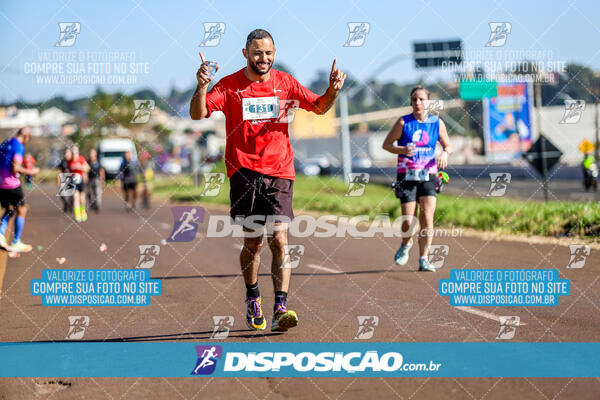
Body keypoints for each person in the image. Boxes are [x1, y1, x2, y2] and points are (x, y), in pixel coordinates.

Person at [190, 29, 346, 331]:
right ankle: (252, 297)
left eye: (269, 53)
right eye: (258, 53)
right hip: (244, 171)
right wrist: (201, 86)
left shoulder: (285, 83)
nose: (264, 59)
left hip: (279, 170)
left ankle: (280, 307)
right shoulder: (231, 86)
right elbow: (199, 114)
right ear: (246, 53)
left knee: (280, 239)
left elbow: (319, 107)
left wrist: (333, 91)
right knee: (253, 245)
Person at [382, 86, 453, 272]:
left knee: (427, 217)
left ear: (428, 102)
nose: (417, 103)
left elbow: (448, 146)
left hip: (429, 174)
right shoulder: (403, 123)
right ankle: (406, 244)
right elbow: (387, 145)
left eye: (421, 99)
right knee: (408, 220)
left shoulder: (437, 123)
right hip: (407, 175)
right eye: (414, 99)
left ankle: (424, 259)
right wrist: (402, 150)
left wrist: (444, 154)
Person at [0, 127, 40, 252]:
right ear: (26, 136)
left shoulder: (6, 143)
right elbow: (16, 168)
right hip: (11, 184)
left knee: (9, 209)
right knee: (22, 210)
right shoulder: (19, 146)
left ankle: (1, 235)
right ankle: (16, 241)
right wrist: (31, 172)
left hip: (0, 183)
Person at [68, 145, 89, 222]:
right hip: (73, 181)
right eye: (73, 150)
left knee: (82, 198)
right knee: (75, 197)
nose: (74, 152)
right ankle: (77, 215)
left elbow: (87, 168)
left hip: (81, 181)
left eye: (75, 150)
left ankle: (83, 211)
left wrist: (80, 167)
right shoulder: (69, 160)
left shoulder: (81, 159)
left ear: (78, 151)